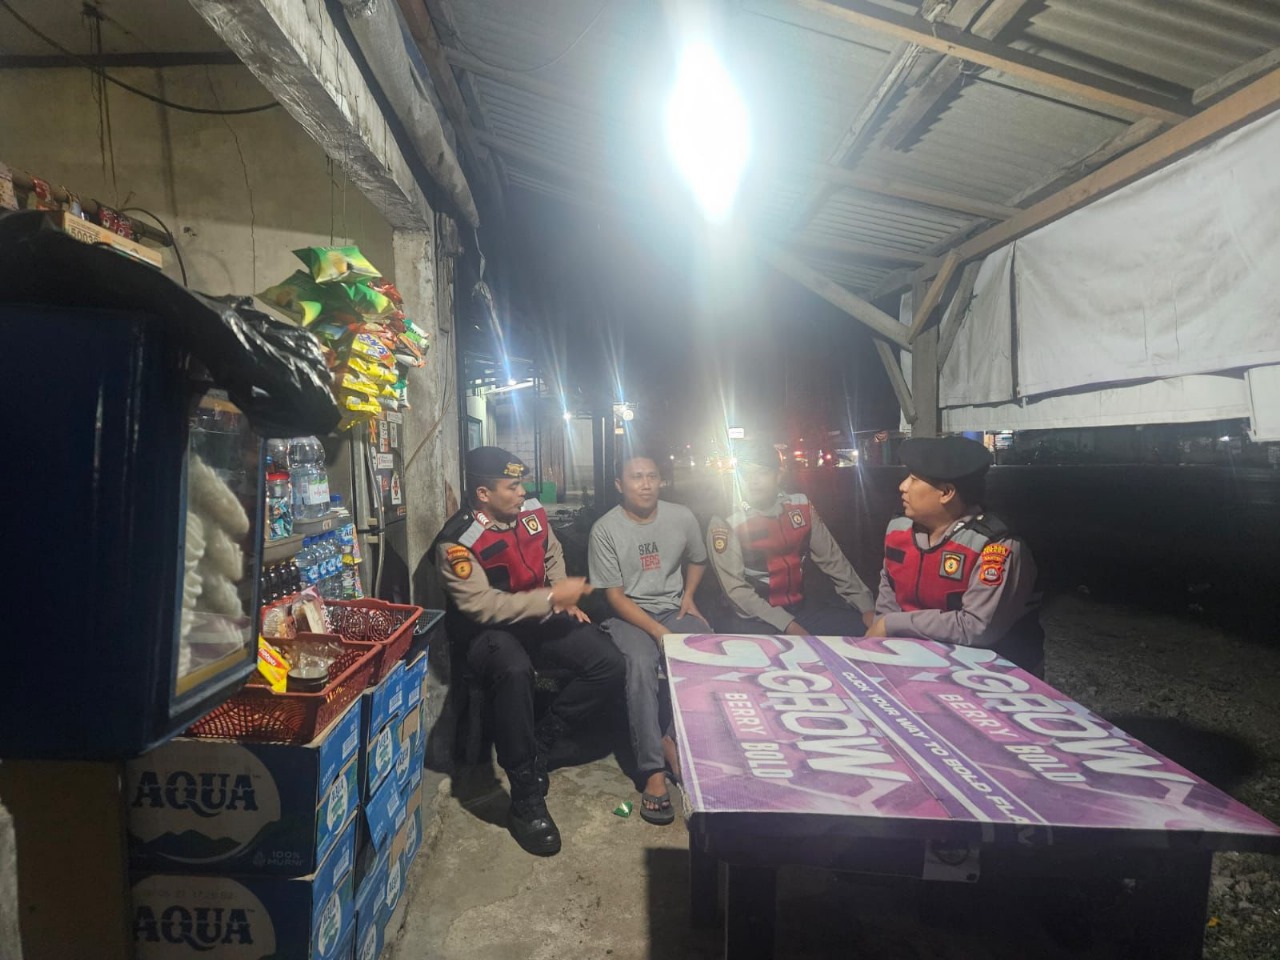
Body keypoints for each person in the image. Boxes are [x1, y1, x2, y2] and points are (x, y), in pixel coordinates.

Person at [432, 446, 625, 856]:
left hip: (539, 617)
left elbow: (551, 552)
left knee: (607, 662)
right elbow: (482, 606)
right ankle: (525, 798)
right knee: (515, 671)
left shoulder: (532, 511)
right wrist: (552, 598)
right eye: (513, 486)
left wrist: (561, 596)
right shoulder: (458, 541)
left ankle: (541, 743)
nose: (523, 493)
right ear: (483, 494)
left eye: (522, 484)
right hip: (487, 633)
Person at [588, 449, 709, 825]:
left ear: (661, 481)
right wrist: (658, 632)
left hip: (673, 609)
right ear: (619, 484)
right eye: (636, 477)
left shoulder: (681, 516)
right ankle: (653, 770)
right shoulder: (605, 529)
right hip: (629, 615)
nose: (645, 484)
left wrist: (689, 596)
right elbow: (614, 597)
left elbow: (698, 558)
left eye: (652, 476)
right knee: (640, 664)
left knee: (706, 650)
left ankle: (674, 739)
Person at [866, 435, 1045, 675]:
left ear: (947, 492)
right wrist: (883, 644)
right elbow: (889, 590)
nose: (903, 486)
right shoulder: (899, 530)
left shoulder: (997, 546)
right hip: (918, 661)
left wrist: (892, 625)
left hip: (993, 674)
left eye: (914, 479)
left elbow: (977, 627)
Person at [707, 439, 875, 636]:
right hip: (751, 617)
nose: (753, 481)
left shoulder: (800, 506)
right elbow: (736, 591)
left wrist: (867, 608)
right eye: (746, 474)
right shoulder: (726, 520)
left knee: (863, 633)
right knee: (787, 651)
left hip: (800, 609)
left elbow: (834, 561)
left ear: (779, 474)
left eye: (762, 472)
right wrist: (788, 625)